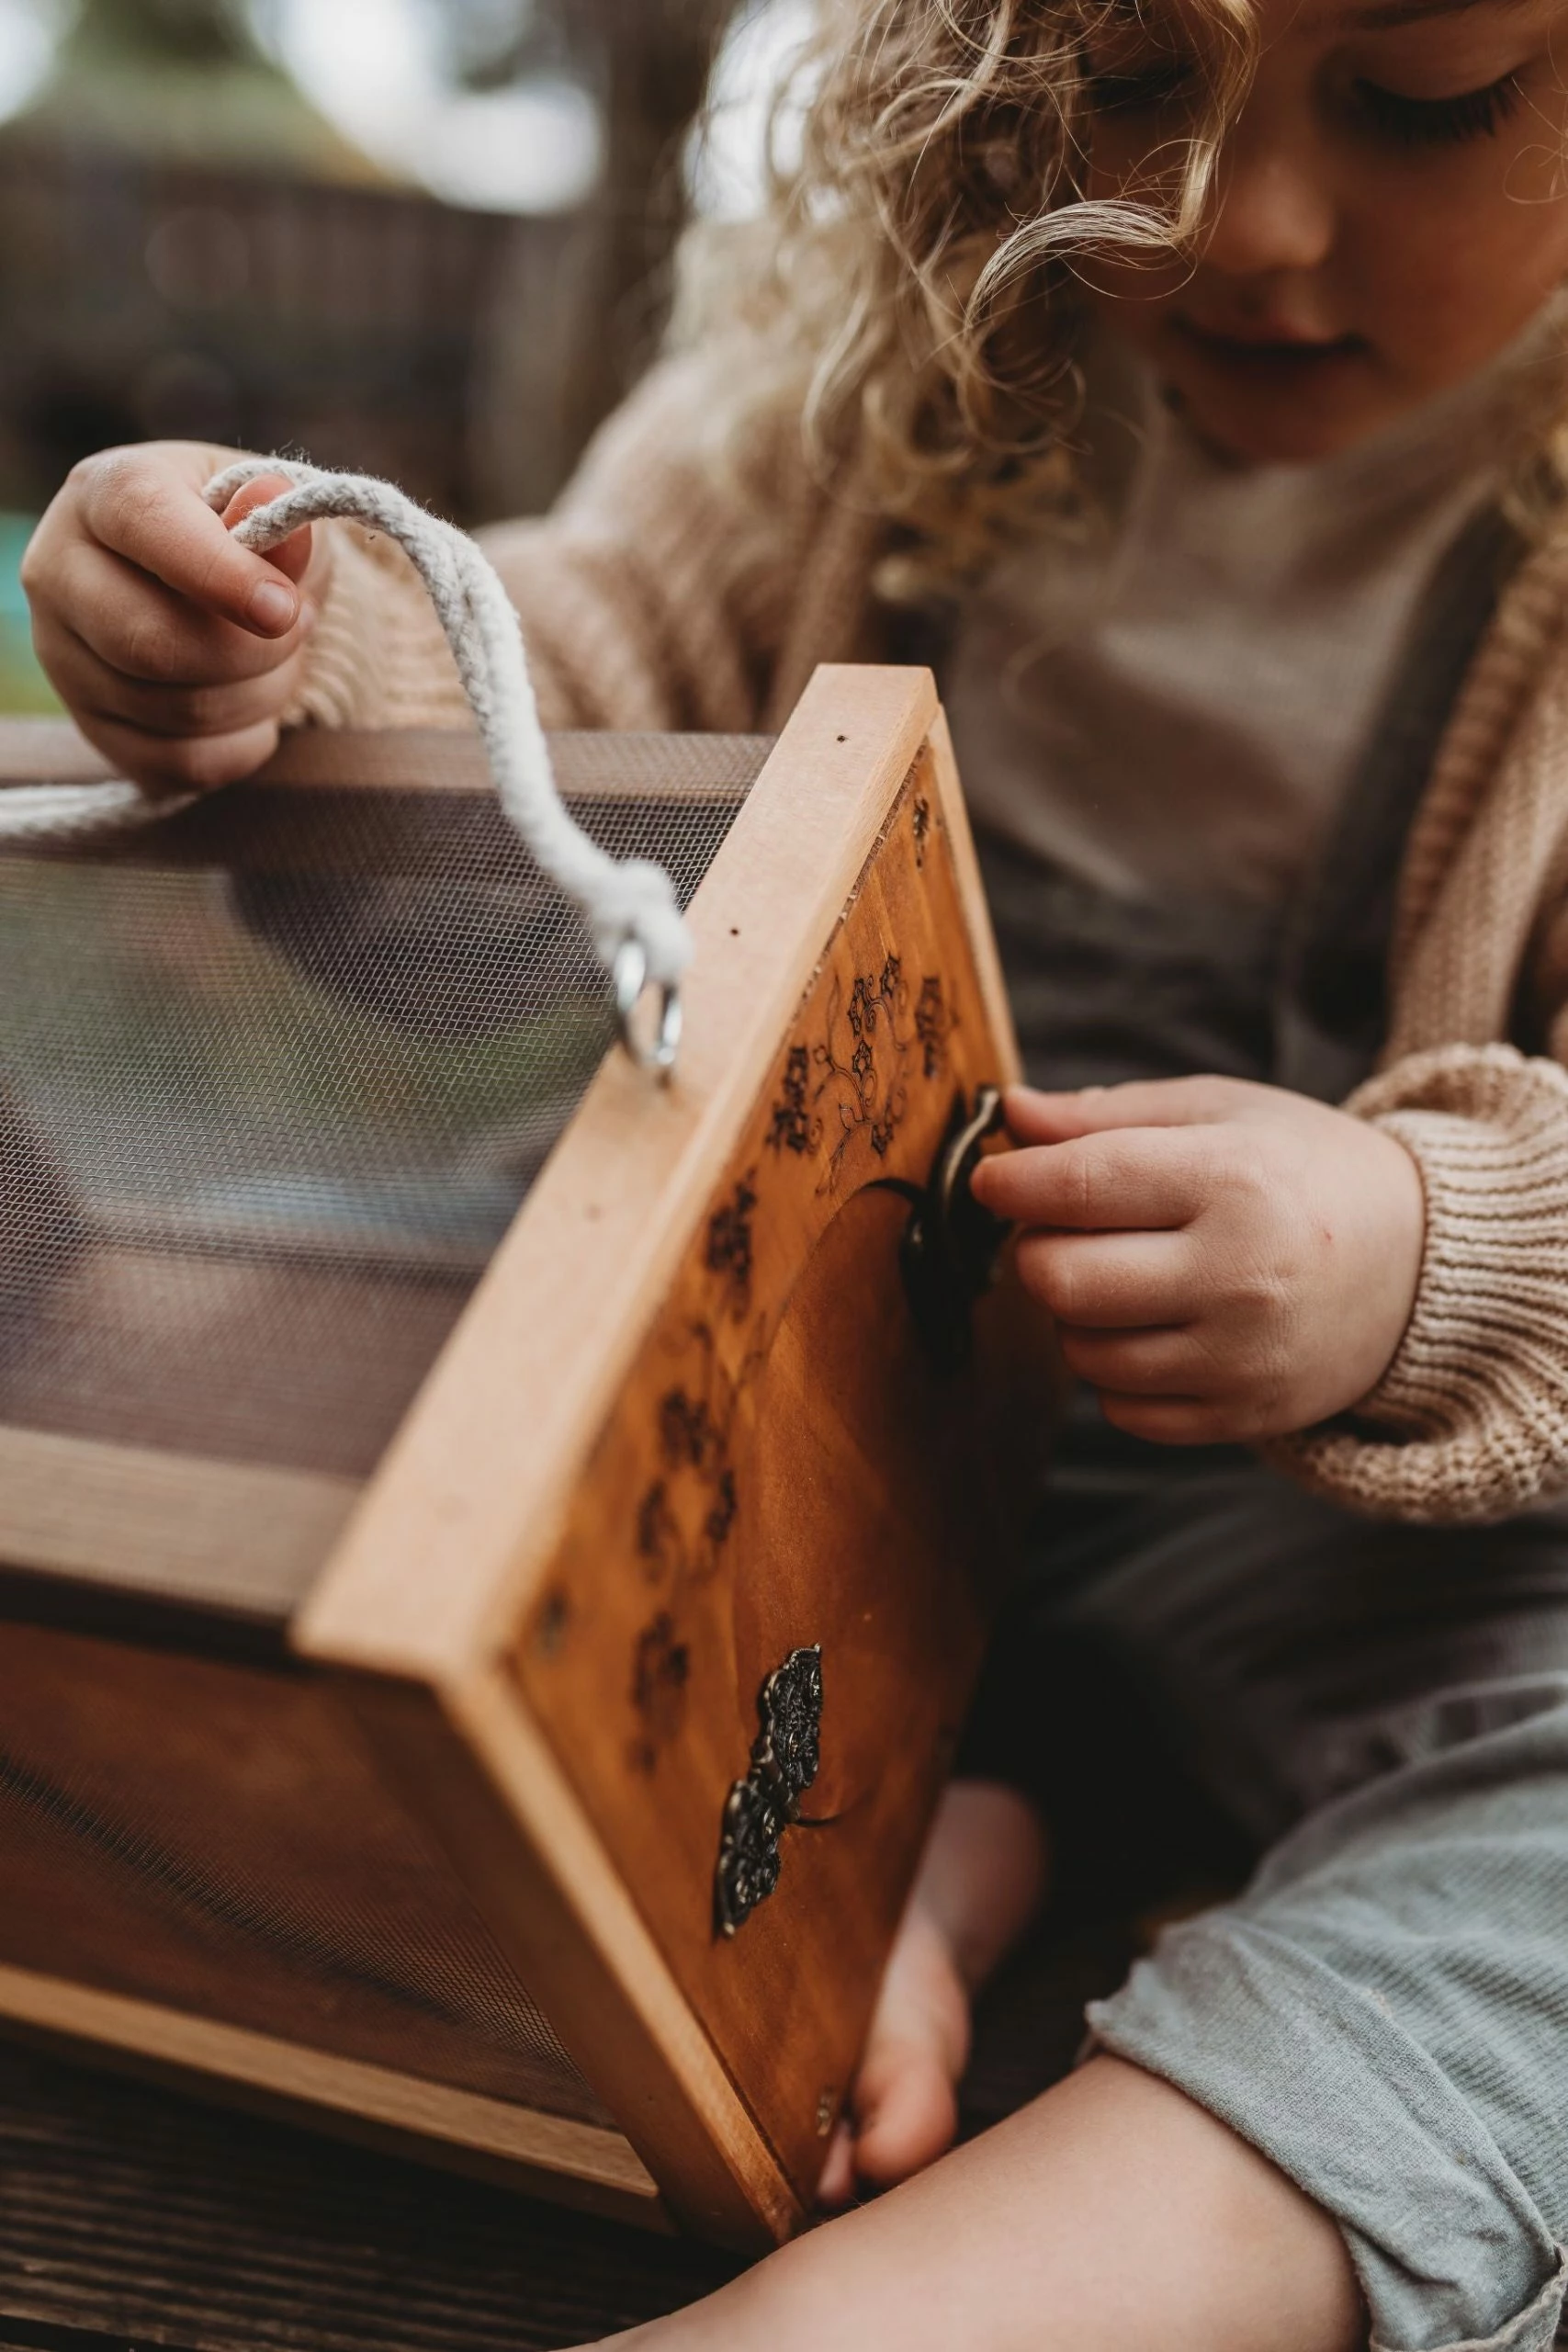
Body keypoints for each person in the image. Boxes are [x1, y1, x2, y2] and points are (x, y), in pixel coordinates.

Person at [20, 0, 1568, 2337]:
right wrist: (299, 667)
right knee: (223, 1319)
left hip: (1362, 1553)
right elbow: (561, 743)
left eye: (1433, 99)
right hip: (786, 1365)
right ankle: (916, 1795)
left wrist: (1425, 1246)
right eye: (1130, 82)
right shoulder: (889, 379)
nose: (1228, 217)